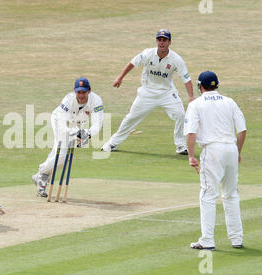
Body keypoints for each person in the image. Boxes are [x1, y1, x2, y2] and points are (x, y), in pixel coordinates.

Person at [101, 29, 194, 154]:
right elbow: (132, 63)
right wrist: (120, 78)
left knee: (181, 115)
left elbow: (186, 79)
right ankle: (113, 143)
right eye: (159, 40)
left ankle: (181, 146)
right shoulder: (147, 54)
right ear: (156, 41)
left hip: (167, 93)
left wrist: (191, 97)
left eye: (164, 40)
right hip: (147, 92)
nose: (162, 43)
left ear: (169, 42)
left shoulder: (176, 59)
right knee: (131, 118)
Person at [184, 71, 246, 250]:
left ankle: (207, 240)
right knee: (231, 194)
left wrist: (191, 156)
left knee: (208, 195)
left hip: (212, 150)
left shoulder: (196, 104)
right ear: (216, 85)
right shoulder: (230, 102)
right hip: (231, 149)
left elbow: (191, 132)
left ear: (200, 86)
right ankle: (236, 239)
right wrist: (238, 151)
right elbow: (242, 130)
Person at [32, 77, 104, 197]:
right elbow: (62, 126)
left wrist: (87, 133)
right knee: (61, 155)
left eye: (84, 92)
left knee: (64, 158)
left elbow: (97, 124)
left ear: (89, 91)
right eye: (78, 92)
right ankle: (42, 173)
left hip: (77, 124)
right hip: (60, 122)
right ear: (74, 90)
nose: (81, 95)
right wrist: (75, 133)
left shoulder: (96, 101)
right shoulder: (68, 100)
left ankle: (41, 176)